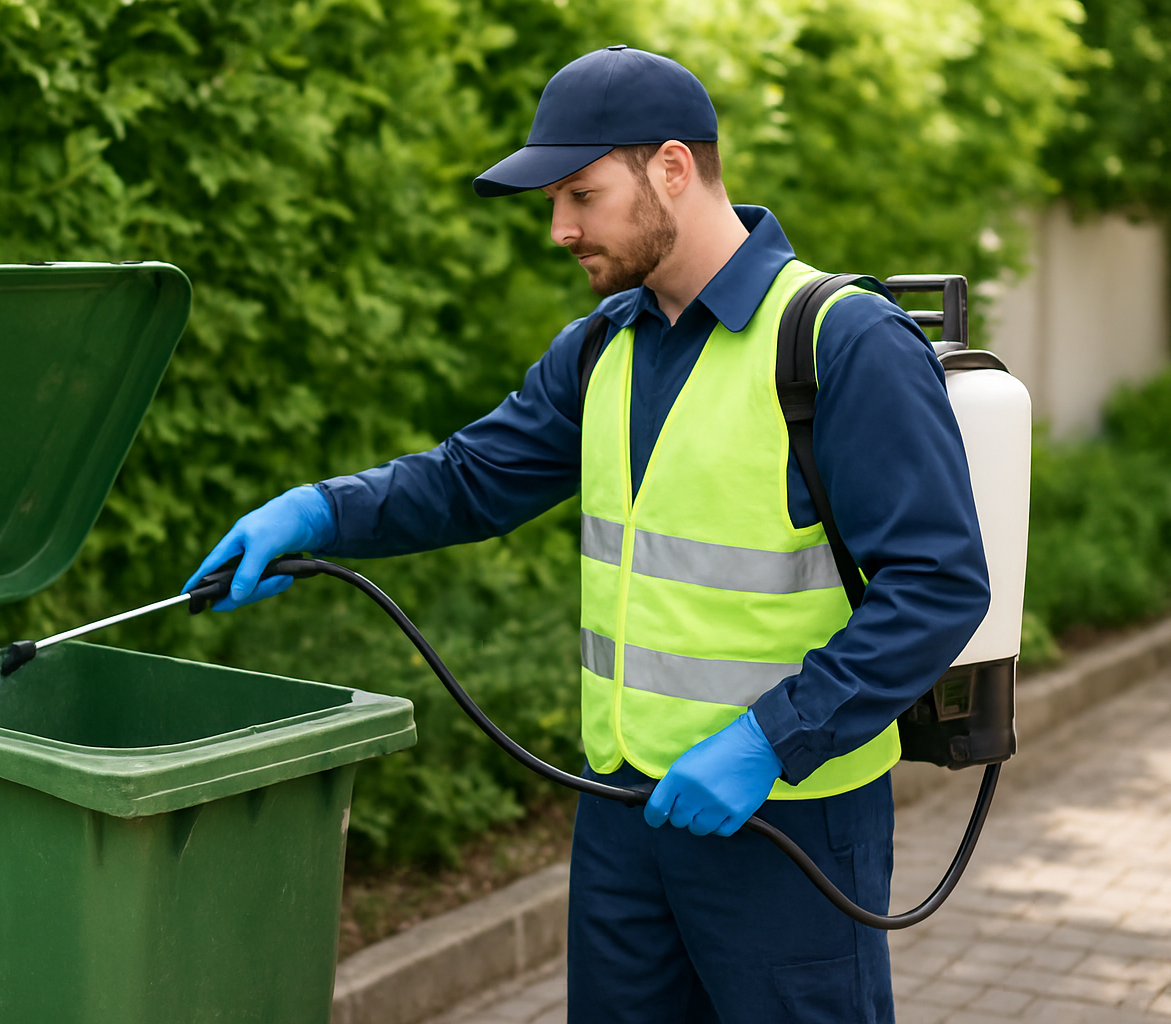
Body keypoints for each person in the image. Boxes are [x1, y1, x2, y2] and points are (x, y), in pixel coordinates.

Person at [183, 46, 989, 1024]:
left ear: (673, 169)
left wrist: (772, 741)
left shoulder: (839, 342)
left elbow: (939, 585)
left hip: (787, 819)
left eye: (581, 194)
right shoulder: (605, 345)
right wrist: (317, 512)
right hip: (622, 814)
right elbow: (470, 478)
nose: (561, 229)